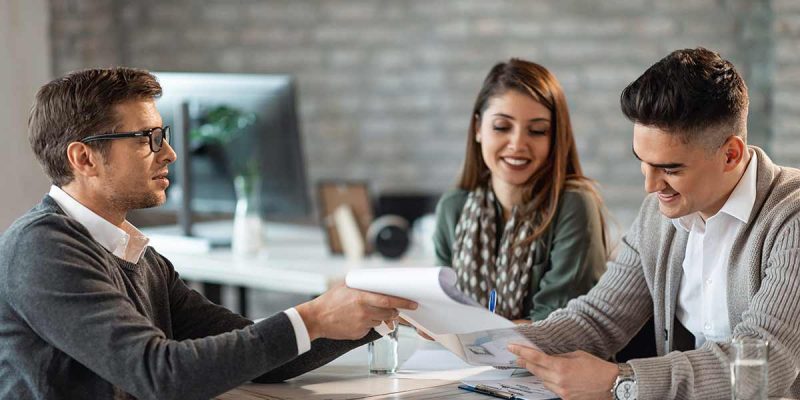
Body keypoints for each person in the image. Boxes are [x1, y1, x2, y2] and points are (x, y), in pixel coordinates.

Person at [0, 67, 417, 400]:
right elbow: (159, 375)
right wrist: (313, 317)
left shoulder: (136, 255)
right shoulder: (42, 249)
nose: (170, 153)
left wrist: (371, 313)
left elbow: (260, 358)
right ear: (84, 157)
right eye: (149, 138)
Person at [508, 47, 800, 399]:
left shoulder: (791, 218)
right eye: (643, 163)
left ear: (730, 154)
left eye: (670, 169)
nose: (650, 186)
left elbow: (762, 359)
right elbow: (599, 318)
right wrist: (481, 338)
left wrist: (620, 381)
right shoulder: (658, 215)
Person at [433, 58, 608, 323]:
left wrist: (467, 331)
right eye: (502, 127)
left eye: (537, 131)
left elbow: (556, 324)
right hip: (467, 362)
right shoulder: (452, 208)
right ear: (478, 128)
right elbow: (442, 308)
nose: (517, 144)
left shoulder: (574, 205)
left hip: (552, 362)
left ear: (555, 138)